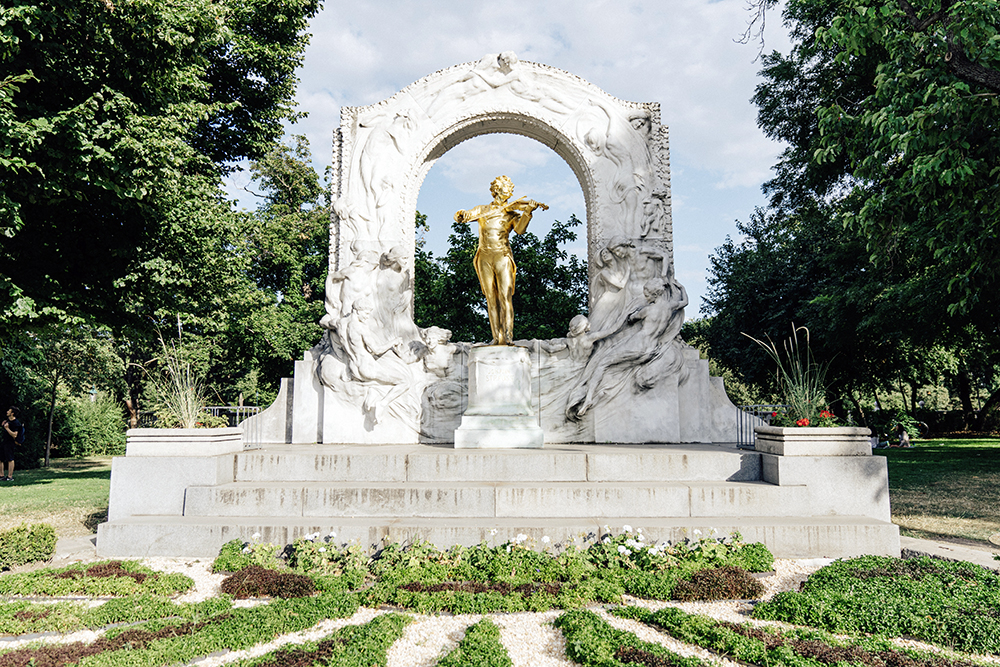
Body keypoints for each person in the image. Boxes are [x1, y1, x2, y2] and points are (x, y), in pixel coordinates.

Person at [455, 175, 547, 345]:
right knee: (490, 298)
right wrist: (460, 215)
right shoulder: (482, 209)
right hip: (484, 256)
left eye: (511, 188)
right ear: (497, 189)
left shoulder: (511, 213)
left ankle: (508, 336)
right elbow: (466, 215)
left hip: (502, 255)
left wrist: (527, 212)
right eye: (507, 187)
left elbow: (520, 231)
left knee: (505, 296)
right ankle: (497, 337)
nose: (511, 190)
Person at [2, 407, 23, 482]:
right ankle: (1, 475)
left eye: (9, 411)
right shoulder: (8, 420)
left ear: (12, 413)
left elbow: (15, 435)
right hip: (4, 441)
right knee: (1, 458)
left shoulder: (16, 423)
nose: (7, 411)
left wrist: (7, 428)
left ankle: (10, 476)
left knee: (10, 459)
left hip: (10, 443)